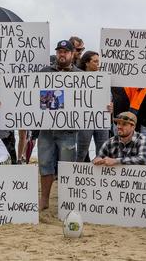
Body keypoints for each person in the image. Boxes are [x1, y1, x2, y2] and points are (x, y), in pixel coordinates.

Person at [38, 40, 82, 210]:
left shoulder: (80, 75)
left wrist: (106, 107)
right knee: (44, 164)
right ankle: (44, 200)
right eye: (59, 51)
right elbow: (30, 97)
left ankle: (66, 202)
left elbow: (89, 102)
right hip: (46, 129)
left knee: (67, 166)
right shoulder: (44, 72)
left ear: (72, 54)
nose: (62, 54)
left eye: (65, 51)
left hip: (68, 130)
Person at [76, 51, 109, 162]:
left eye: (98, 61)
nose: (98, 64)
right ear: (86, 63)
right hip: (85, 118)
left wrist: (111, 105)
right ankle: (76, 174)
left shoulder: (104, 77)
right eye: (95, 61)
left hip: (101, 118)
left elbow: (109, 96)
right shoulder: (78, 77)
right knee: (82, 150)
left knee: (102, 151)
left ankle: (99, 177)